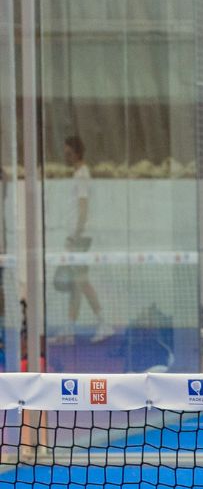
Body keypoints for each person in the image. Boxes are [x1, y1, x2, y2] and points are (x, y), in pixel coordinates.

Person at [53, 136, 112, 342]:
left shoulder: (82, 175)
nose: (66, 157)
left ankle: (104, 323)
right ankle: (70, 328)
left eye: (69, 153)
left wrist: (74, 237)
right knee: (76, 284)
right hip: (76, 236)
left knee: (81, 281)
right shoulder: (78, 174)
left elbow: (83, 209)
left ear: (77, 153)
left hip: (81, 237)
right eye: (65, 153)